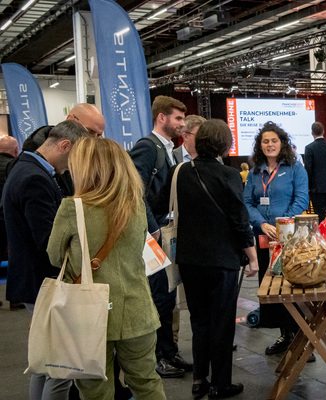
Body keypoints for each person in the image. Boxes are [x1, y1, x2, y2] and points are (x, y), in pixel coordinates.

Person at [46, 138, 166, 400]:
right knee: (146, 382)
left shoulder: (72, 207)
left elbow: (55, 257)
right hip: (136, 308)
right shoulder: (135, 205)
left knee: (95, 389)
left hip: (87, 313)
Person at [155, 119, 258, 399]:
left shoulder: (179, 172)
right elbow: (239, 220)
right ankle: (220, 383)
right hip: (221, 259)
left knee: (199, 321)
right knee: (222, 323)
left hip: (188, 259)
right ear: (225, 146)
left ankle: (199, 379)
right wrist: (252, 257)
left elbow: (159, 206)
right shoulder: (230, 175)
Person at [2, 120, 89, 400]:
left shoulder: (26, 168)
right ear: (65, 145)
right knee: (61, 368)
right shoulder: (35, 178)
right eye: (78, 155)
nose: (77, 166)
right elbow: (48, 241)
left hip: (36, 281)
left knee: (45, 363)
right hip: (44, 281)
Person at [129, 95, 191, 378]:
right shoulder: (147, 147)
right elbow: (134, 192)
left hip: (164, 232)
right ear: (162, 118)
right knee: (158, 297)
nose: (182, 124)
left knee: (166, 297)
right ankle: (158, 357)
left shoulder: (166, 149)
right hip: (153, 236)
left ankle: (169, 353)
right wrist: (153, 228)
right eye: (178, 118)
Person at [243, 121, 309, 356]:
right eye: (265, 141)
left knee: (293, 288)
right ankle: (286, 335)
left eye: (274, 140)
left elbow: (301, 200)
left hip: (289, 239)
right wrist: (261, 223)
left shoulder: (295, 168)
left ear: (282, 143)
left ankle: (304, 339)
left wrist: (282, 226)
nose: (270, 145)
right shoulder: (254, 171)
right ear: (260, 145)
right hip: (263, 239)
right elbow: (247, 202)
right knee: (273, 289)